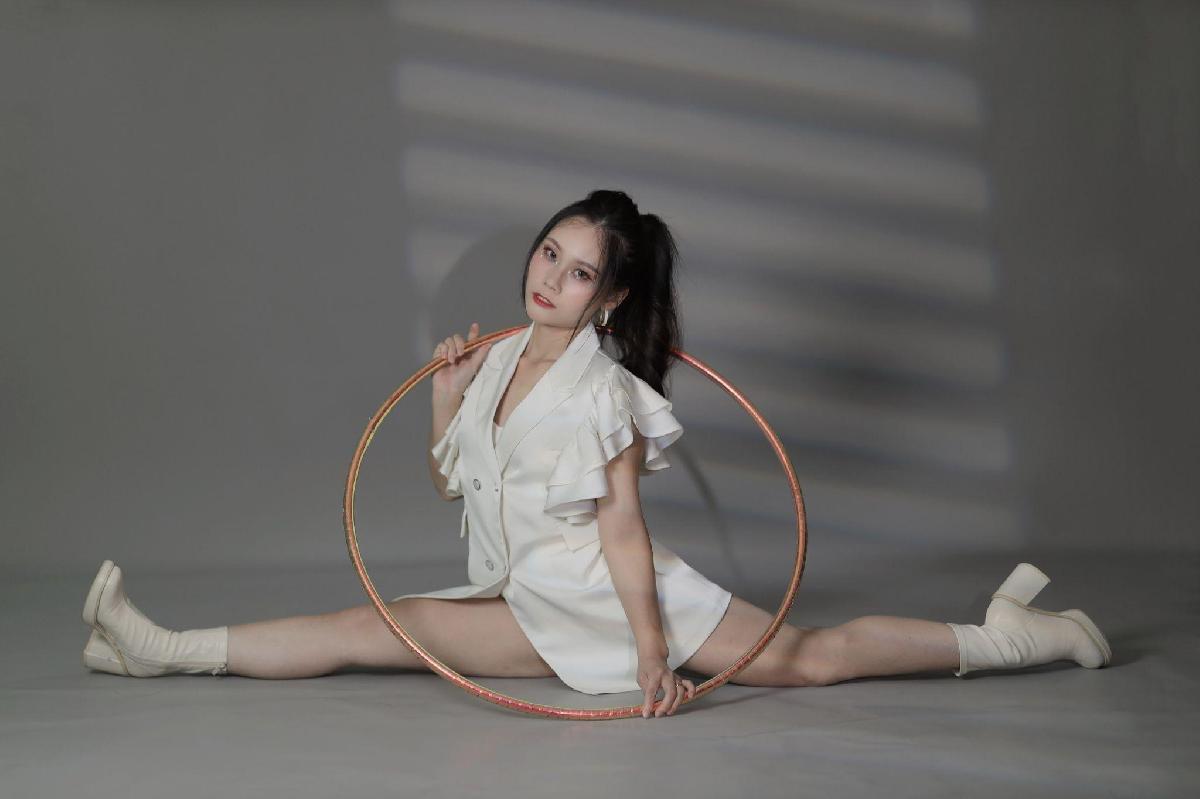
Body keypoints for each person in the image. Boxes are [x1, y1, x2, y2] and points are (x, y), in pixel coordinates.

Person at [81, 190, 1112, 719]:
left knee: (809, 658)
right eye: (549, 252)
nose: (550, 277)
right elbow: (455, 484)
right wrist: (444, 400)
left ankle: (1017, 637)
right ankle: (163, 647)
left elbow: (623, 526)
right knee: (372, 624)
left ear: (608, 296)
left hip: (611, 596)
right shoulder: (491, 358)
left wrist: (654, 652)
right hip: (533, 596)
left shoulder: (603, 390)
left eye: (578, 273)